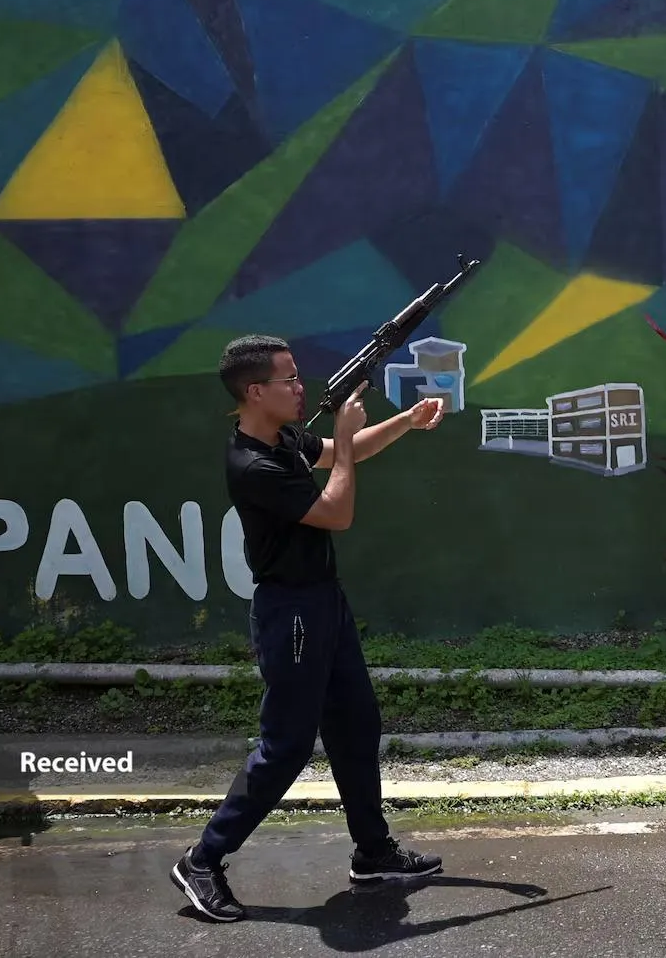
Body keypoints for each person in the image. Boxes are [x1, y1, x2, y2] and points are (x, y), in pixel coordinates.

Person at [170, 335, 447, 923]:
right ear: (255, 391)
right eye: (289, 379)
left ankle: (373, 852)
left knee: (356, 724)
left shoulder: (284, 439)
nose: (301, 387)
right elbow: (337, 512)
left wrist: (405, 421)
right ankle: (203, 859)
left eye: (298, 376)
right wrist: (344, 436)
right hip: (290, 611)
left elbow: (345, 452)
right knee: (287, 746)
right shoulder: (253, 464)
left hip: (325, 602)